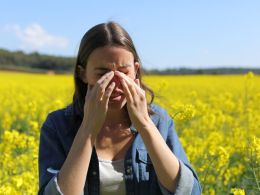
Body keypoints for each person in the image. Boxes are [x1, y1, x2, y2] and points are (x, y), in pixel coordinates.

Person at [38, 21, 201, 195]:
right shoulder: (57, 125)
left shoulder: (158, 120)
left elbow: (190, 191)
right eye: (103, 74)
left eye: (124, 73)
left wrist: (145, 124)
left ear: (136, 70)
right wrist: (88, 129)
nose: (115, 84)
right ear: (83, 73)